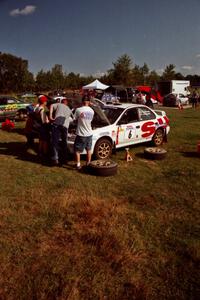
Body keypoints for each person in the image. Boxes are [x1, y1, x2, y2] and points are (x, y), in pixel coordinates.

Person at [49, 98, 72, 165]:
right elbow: (73, 119)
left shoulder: (59, 104)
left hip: (57, 124)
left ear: (62, 102)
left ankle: (55, 159)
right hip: (65, 127)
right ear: (67, 103)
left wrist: (50, 116)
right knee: (64, 143)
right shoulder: (69, 109)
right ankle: (64, 159)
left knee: (55, 141)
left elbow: (51, 106)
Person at [74, 95, 94, 170]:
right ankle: (88, 163)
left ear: (82, 101)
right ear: (89, 102)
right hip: (89, 133)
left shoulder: (78, 110)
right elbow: (90, 120)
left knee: (77, 150)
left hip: (81, 133)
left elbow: (74, 119)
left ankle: (78, 165)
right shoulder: (92, 111)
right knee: (89, 149)